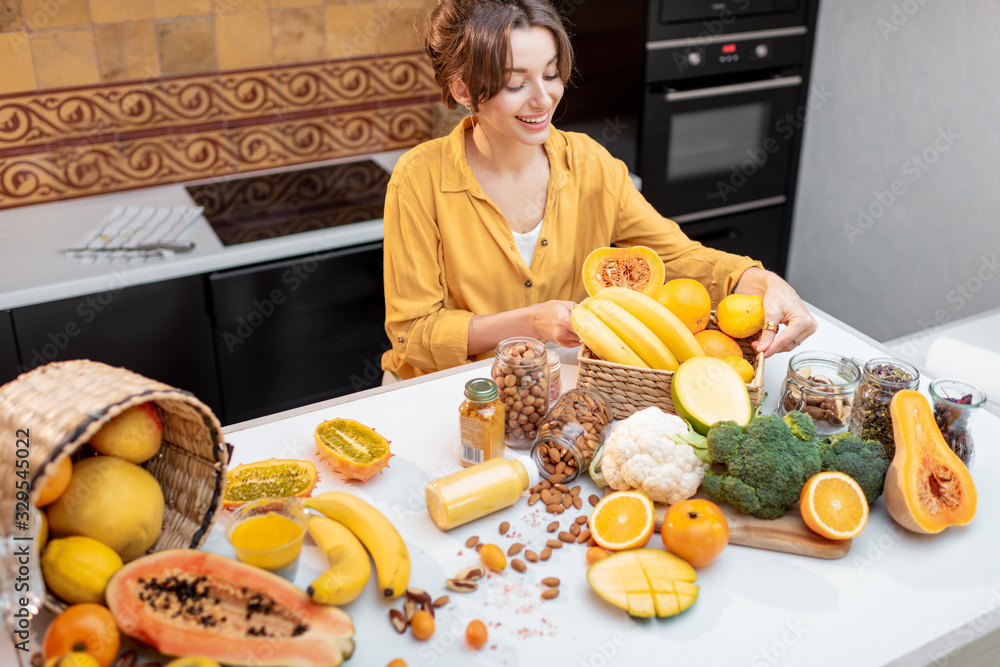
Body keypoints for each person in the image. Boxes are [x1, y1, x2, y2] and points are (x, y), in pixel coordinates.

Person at [381, 0, 816, 382]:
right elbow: (413, 334)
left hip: (553, 382)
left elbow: (674, 256)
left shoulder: (591, 163)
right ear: (462, 89)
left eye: (551, 75)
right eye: (516, 84)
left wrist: (758, 279)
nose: (544, 98)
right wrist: (531, 322)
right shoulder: (418, 180)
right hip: (446, 392)